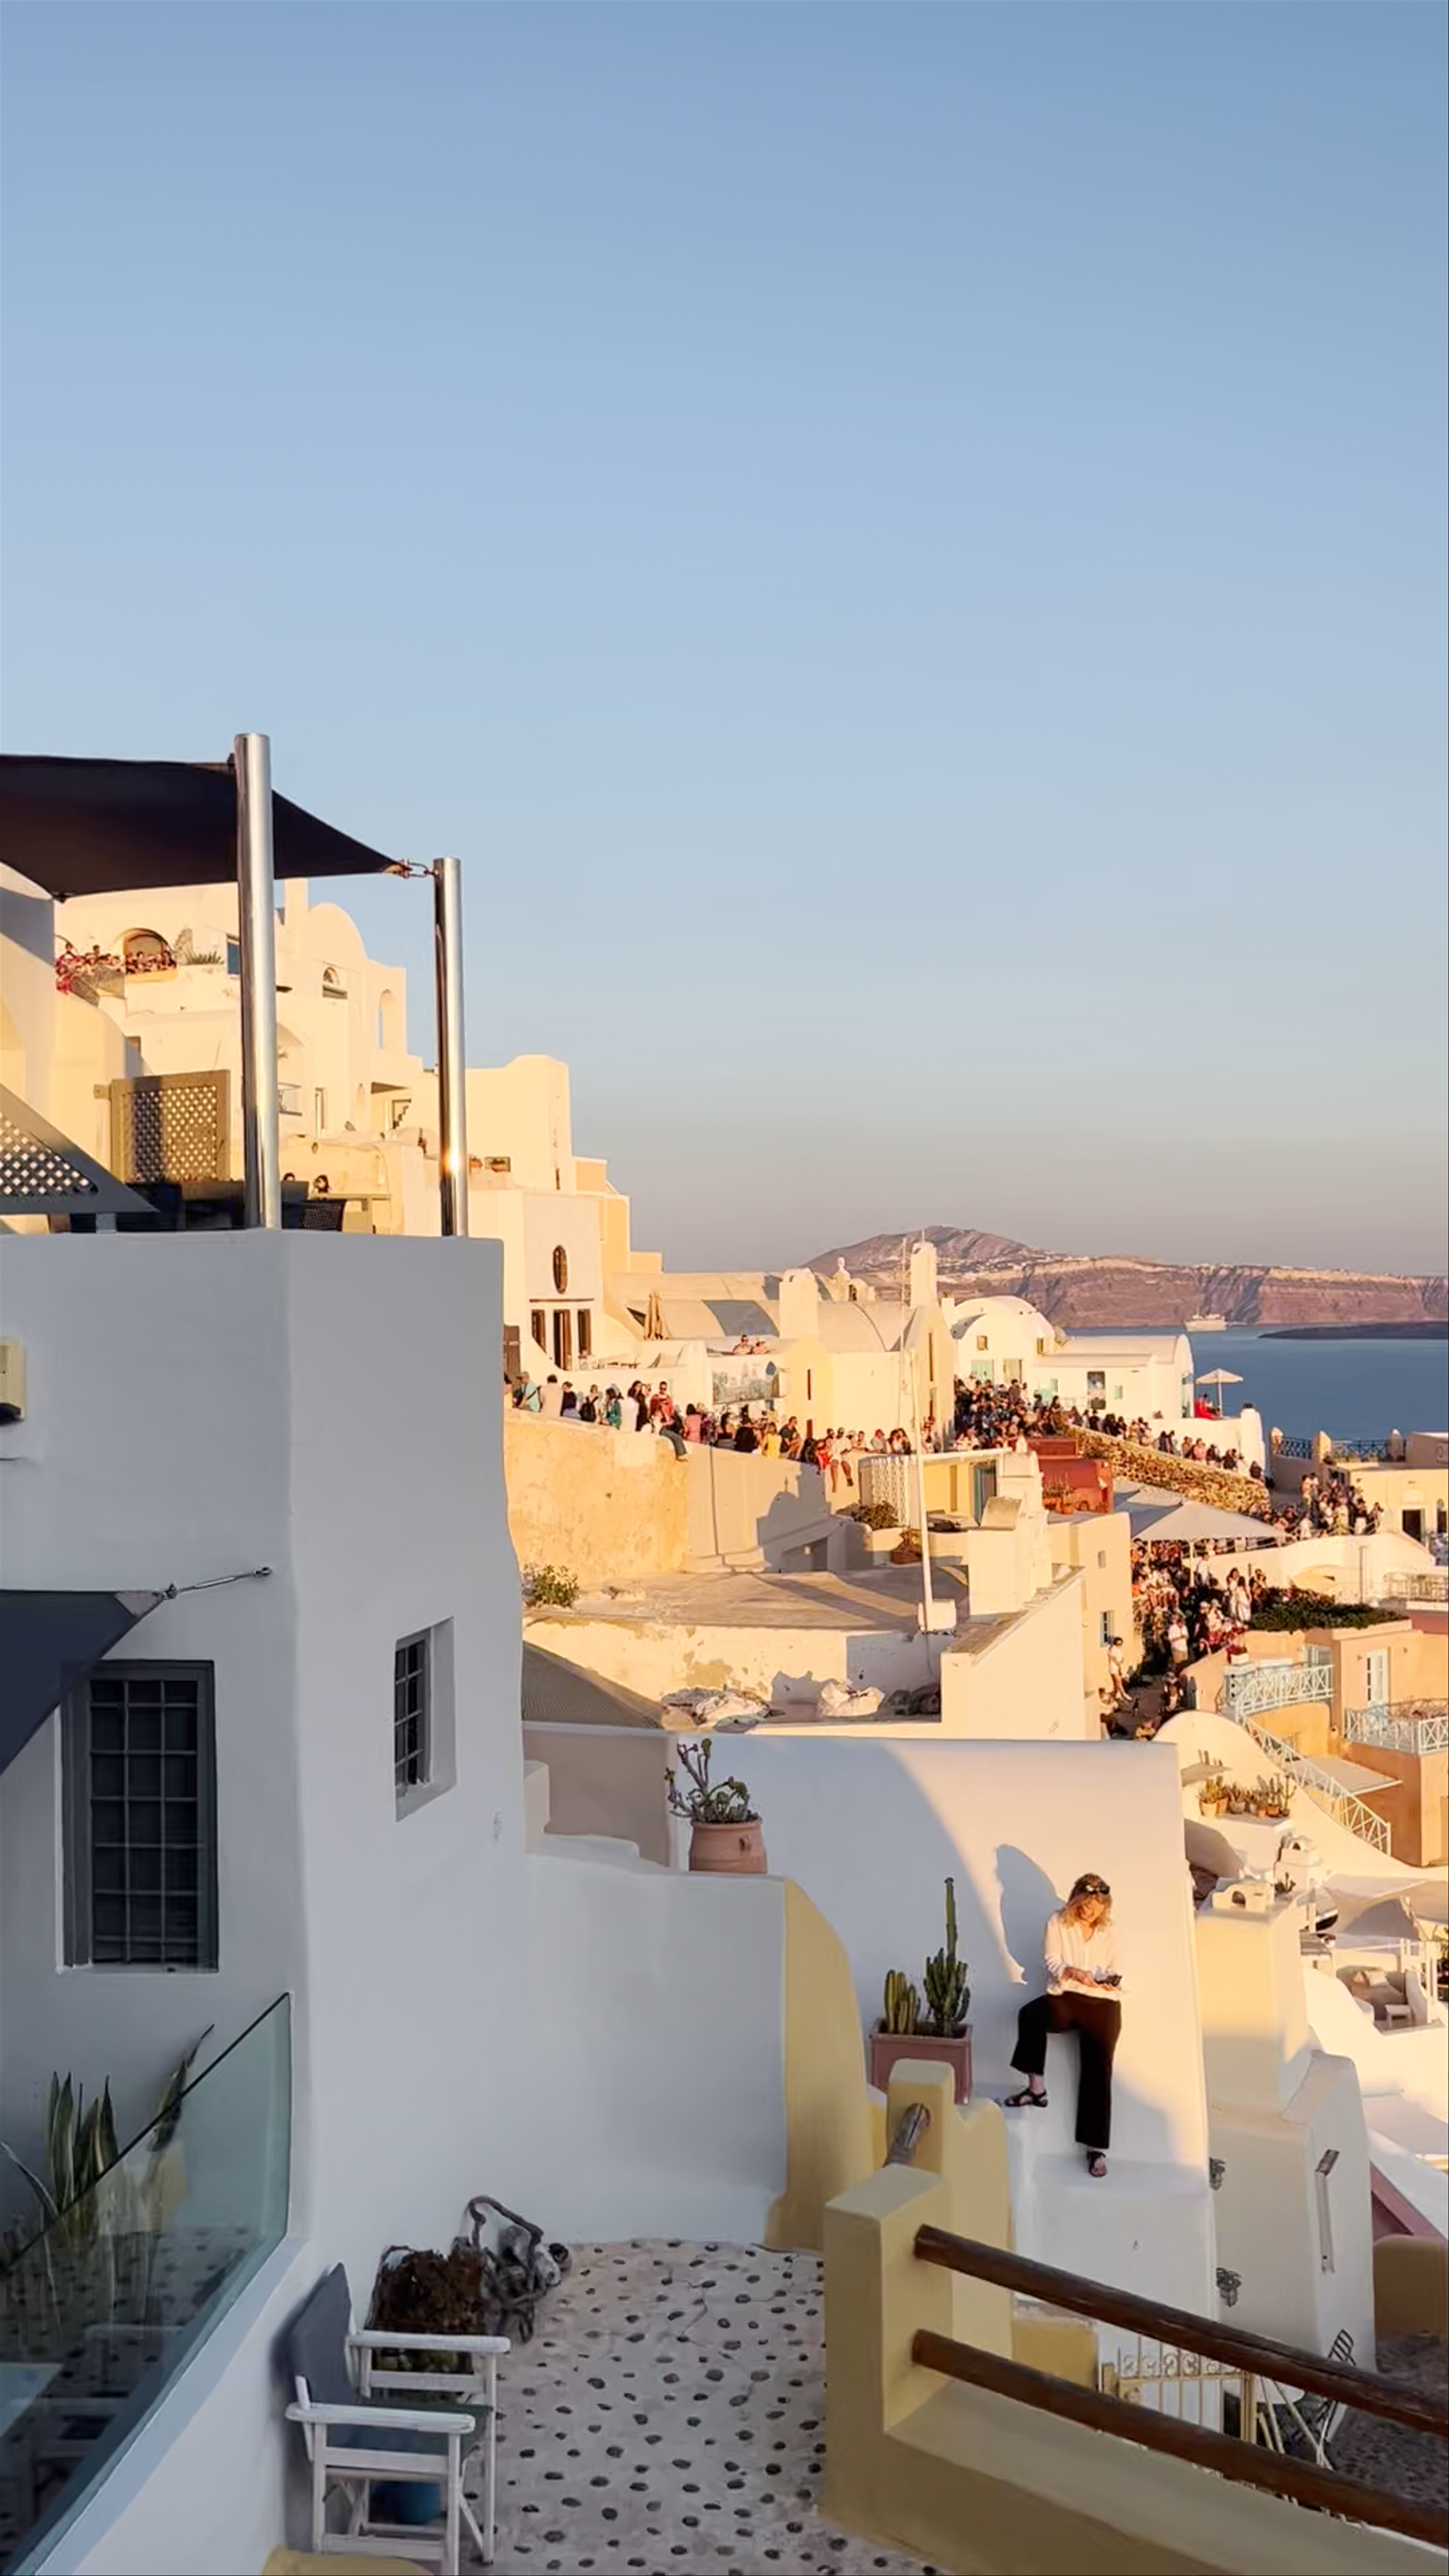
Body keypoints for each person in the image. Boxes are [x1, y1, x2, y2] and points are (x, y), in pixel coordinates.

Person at [1005, 1873, 1123, 2179]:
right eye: (1086, 1906)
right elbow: (1052, 1960)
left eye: (1096, 1908)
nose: (1090, 1912)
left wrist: (1108, 1981)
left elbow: (1113, 1966)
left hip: (1102, 2002)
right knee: (1031, 2015)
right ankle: (1037, 2089)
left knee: (1100, 2071)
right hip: (1068, 1995)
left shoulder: (1109, 1931)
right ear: (1076, 1901)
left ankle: (1096, 2150)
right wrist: (1073, 1972)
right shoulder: (1058, 1922)